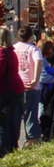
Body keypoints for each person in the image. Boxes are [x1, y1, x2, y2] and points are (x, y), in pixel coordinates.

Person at [14, 25, 43, 145]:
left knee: (16, 115)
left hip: (17, 85)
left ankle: (13, 140)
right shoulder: (34, 49)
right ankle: (32, 140)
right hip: (31, 86)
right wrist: (35, 79)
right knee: (31, 114)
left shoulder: (14, 48)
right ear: (31, 36)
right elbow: (38, 62)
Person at [0, 27, 25, 157]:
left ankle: (5, 150)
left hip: (6, 91)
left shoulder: (3, 53)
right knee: (12, 122)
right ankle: (11, 148)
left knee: (4, 123)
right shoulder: (11, 52)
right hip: (15, 89)